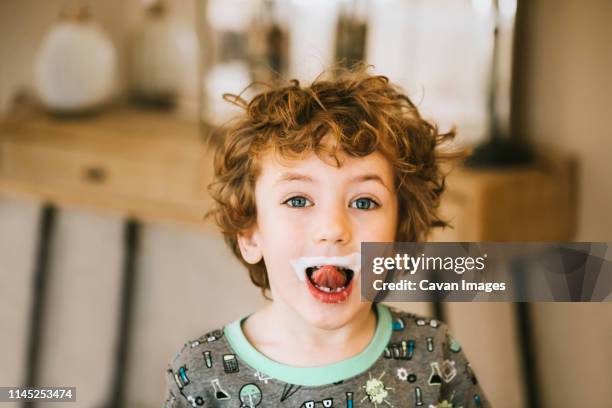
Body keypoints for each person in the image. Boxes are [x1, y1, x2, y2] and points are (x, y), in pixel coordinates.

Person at [162, 66, 490, 407]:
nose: (333, 229)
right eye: (298, 200)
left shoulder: (434, 354)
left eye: (364, 202)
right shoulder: (201, 373)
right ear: (250, 233)